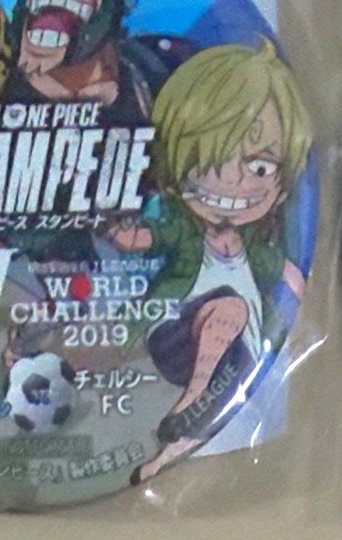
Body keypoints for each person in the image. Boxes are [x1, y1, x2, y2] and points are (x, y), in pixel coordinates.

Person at [112, 41, 312, 483]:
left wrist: (300, 317)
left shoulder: (256, 248)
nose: (232, 183)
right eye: (206, 163)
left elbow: (290, 276)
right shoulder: (184, 229)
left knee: (211, 406)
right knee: (230, 308)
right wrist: (119, 231)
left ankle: (163, 454)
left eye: (260, 168)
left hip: (238, 352)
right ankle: (194, 394)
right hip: (176, 336)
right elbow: (148, 238)